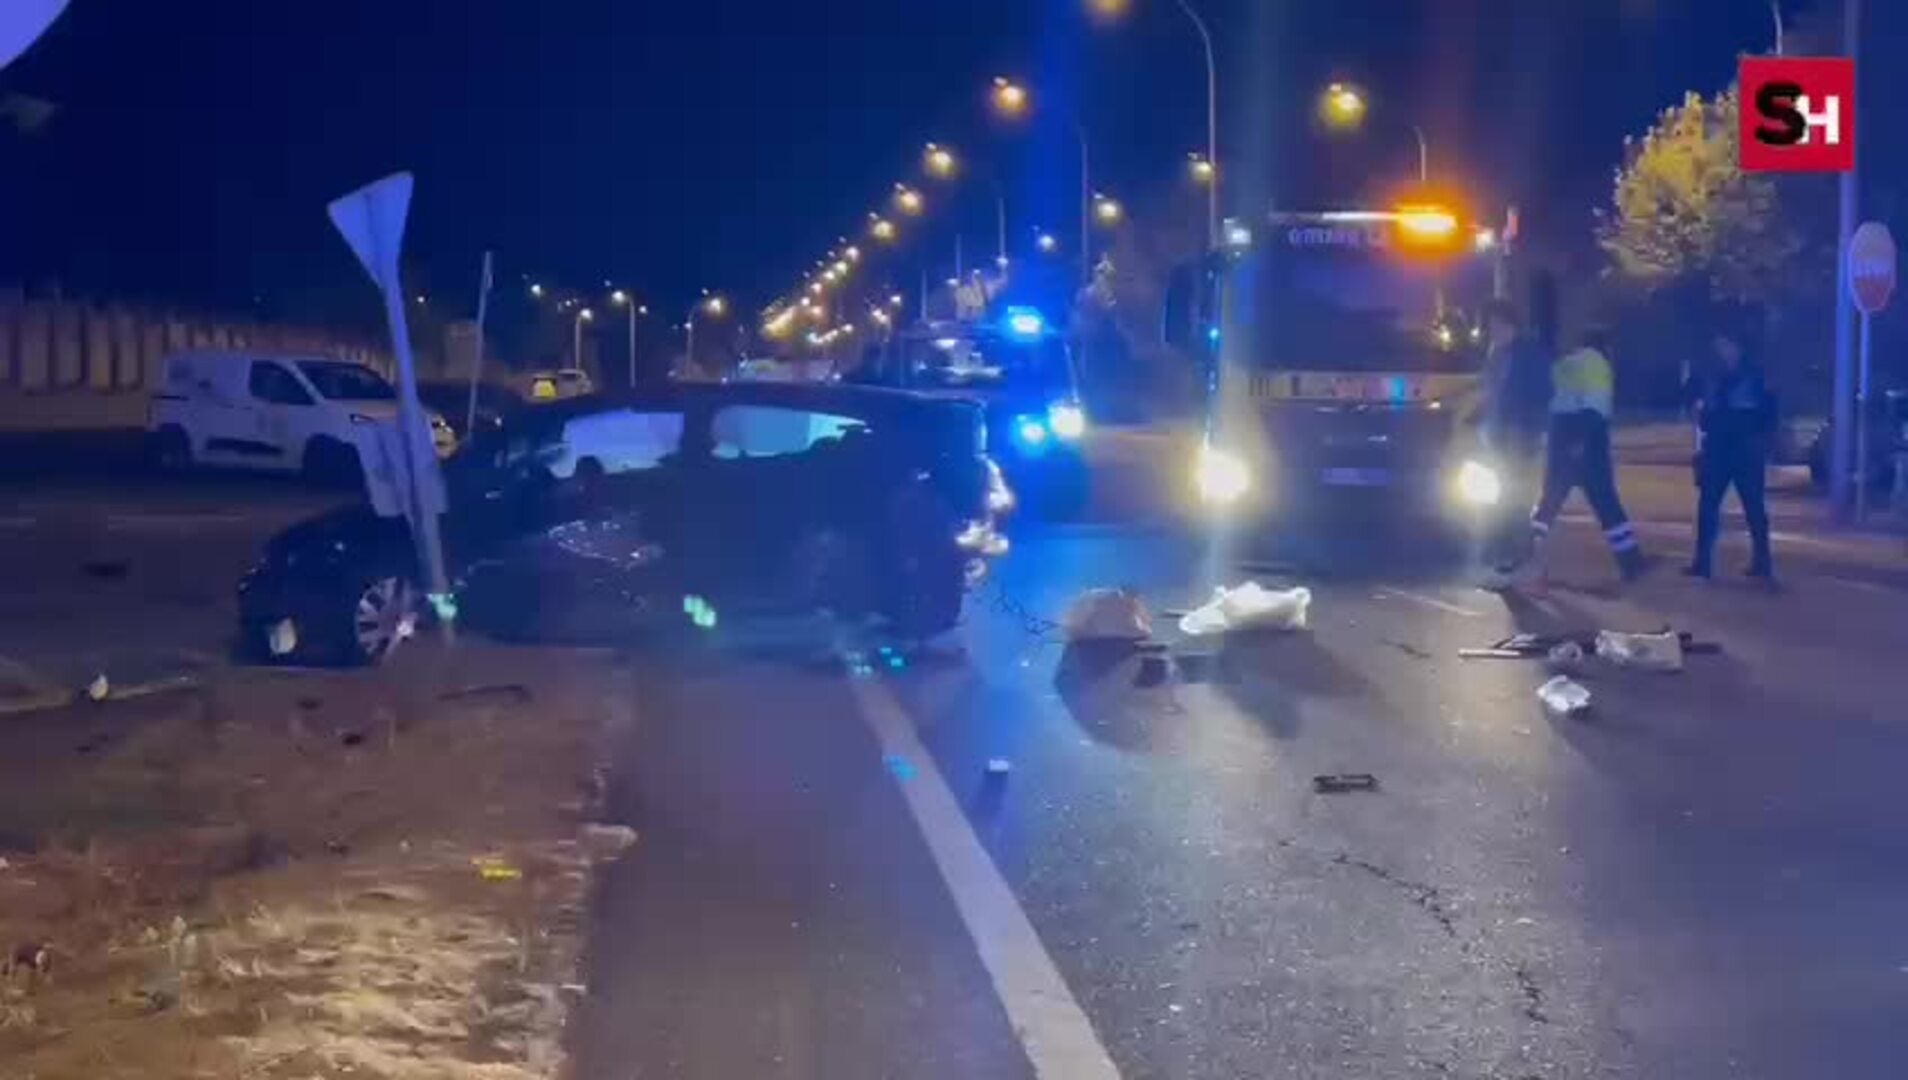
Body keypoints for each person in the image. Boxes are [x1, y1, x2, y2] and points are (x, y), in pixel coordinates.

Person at [1527, 328, 1647, 582]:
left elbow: (1549, 403)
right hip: (1588, 443)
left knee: (1548, 505)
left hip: (1559, 439)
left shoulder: (1564, 364)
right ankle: (1631, 562)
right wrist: (1581, 441)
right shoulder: (1597, 364)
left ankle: (1521, 553)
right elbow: (1596, 408)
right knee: (1608, 505)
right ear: (1604, 346)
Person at [1685, 328, 1777, 580]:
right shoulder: (1712, 374)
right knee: (1708, 506)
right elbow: (1696, 399)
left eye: (1725, 345)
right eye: (1719, 346)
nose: (1721, 351)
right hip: (1718, 447)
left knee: (1754, 508)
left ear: (1737, 346)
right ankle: (1703, 563)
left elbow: (1769, 411)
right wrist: (1699, 414)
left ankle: (1762, 563)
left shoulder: (1755, 375)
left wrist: (1765, 441)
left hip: (1746, 449)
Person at [1478, 298, 1553, 583]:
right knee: (1501, 496)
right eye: (1490, 327)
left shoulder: (1529, 355)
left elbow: (1542, 394)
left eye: (1496, 326)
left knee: (1514, 497)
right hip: (1498, 436)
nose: (1493, 332)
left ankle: (1516, 555)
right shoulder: (1497, 355)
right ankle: (1504, 554)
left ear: (1510, 324)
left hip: (1520, 435)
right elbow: (1490, 393)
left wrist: (1534, 431)